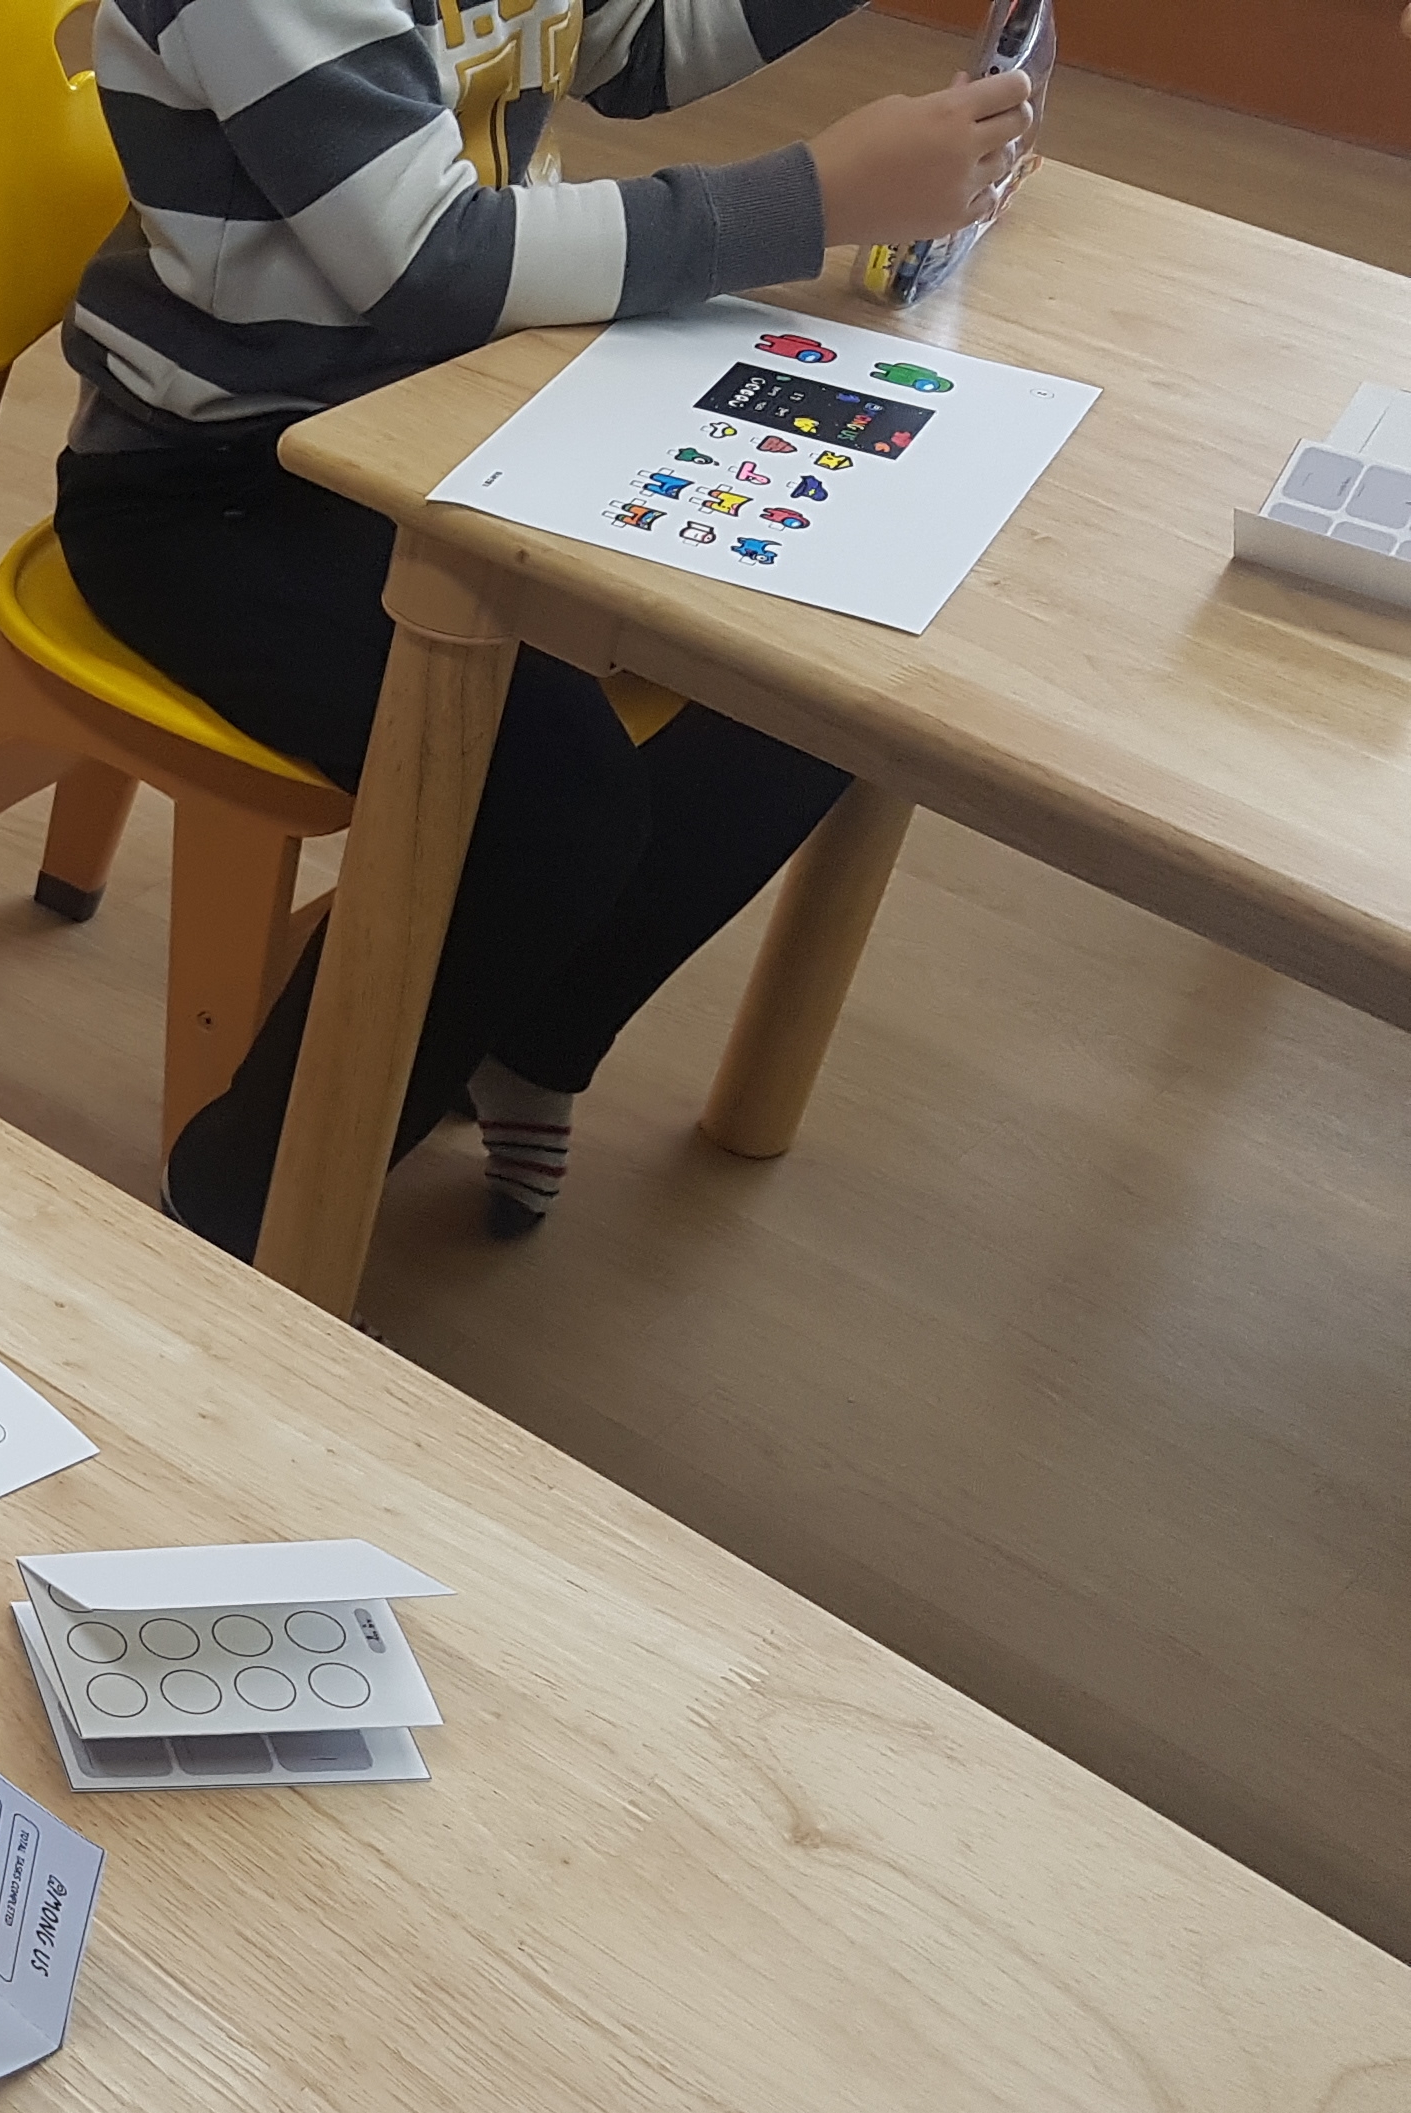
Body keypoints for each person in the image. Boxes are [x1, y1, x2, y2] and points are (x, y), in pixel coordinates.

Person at [58, 2, 1031, 1251]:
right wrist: (815, 198)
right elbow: (432, 264)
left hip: (456, 415)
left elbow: (640, 45)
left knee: (827, 661)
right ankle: (237, 1204)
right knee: (541, 795)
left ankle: (529, 1032)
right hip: (216, 490)